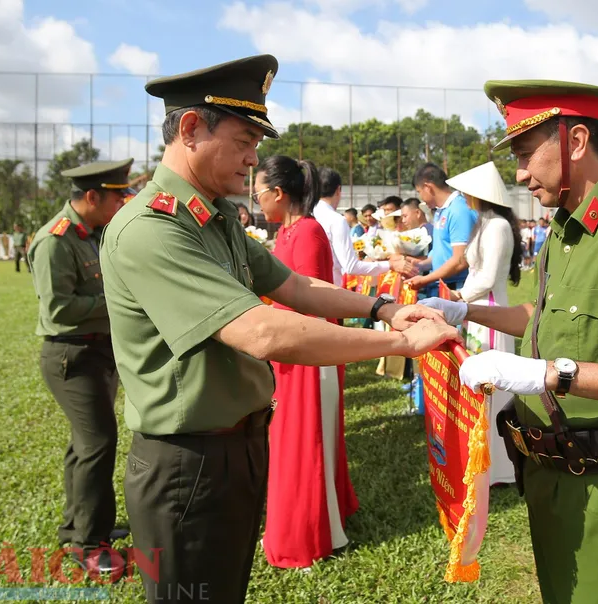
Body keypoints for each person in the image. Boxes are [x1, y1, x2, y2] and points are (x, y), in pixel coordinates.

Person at [99, 55, 456, 603]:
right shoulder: (152, 227)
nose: (253, 159)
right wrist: (401, 343)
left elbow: (293, 285)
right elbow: (261, 332)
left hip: (236, 446)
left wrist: (382, 308)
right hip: (187, 462)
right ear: (191, 129)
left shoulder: (212, 217)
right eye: (245, 141)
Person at [422, 79, 598, 603]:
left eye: (526, 155)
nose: (519, 173)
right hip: (549, 473)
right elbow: (547, 318)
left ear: (576, 142)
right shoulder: (565, 227)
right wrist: (465, 310)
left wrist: (551, 374)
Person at [252, 156, 360, 569]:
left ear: (278, 194)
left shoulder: (309, 232)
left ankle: (308, 533)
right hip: (290, 351)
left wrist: (265, 309)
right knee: (291, 443)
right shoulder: (287, 231)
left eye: (258, 194)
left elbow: (312, 302)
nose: (257, 202)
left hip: (308, 355)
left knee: (304, 446)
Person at [27, 158, 134, 575]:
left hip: (97, 353)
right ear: (92, 196)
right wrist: (117, 302)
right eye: (117, 197)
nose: (122, 203)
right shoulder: (55, 240)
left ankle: (78, 526)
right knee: (98, 444)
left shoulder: (91, 234)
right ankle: (90, 545)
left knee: (84, 444)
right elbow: (59, 308)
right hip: (72, 356)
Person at [443, 161, 523, 486]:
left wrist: (459, 296)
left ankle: (498, 465)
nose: (464, 197)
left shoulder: (498, 226)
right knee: (478, 381)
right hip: (475, 309)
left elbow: (488, 278)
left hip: (489, 310)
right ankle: (479, 456)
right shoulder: (483, 223)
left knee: (493, 384)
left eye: (467, 193)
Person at [312, 167, 402, 287]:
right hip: (329, 288)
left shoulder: (307, 214)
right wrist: (390, 265)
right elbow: (351, 266)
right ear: (338, 190)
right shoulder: (336, 220)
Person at [405, 163, 479, 296]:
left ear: (428, 187)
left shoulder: (458, 210)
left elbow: (460, 261)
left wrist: (425, 279)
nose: (420, 197)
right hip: (440, 286)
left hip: (456, 288)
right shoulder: (440, 211)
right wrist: (420, 265)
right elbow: (443, 253)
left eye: (419, 192)